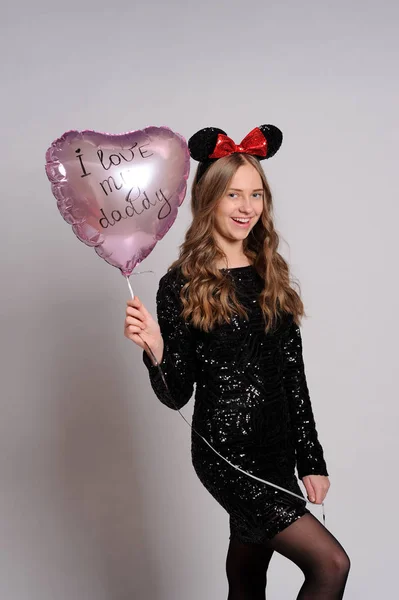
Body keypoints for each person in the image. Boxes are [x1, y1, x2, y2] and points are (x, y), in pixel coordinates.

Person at [124, 125, 351, 599]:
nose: (247, 207)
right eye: (233, 195)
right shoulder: (180, 284)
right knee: (331, 564)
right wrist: (155, 350)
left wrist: (311, 459)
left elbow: (293, 375)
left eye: (256, 195)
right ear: (209, 199)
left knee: (247, 572)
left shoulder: (271, 273)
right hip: (226, 450)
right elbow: (176, 394)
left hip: (277, 449)